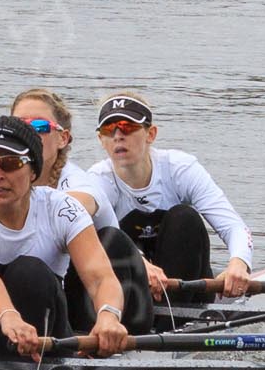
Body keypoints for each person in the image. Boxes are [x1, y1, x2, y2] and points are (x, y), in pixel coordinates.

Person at [0, 118, 134, 370]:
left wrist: (108, 316)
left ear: (33, 170)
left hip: (46, 335)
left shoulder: (62, 209)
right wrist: (9, 317)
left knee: (28, 272)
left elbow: (100, 278)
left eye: (9, 164)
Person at [7, 88, 154, 331]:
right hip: (47, 299)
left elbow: (77, 204)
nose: (27, 133)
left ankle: (105, 336)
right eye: (18, 125)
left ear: (63, 138)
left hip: (105, 304)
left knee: (109, 239)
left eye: (40, 126)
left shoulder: (80, 181)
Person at [87, 93, 255, 302]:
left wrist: (238, 262)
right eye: (108, 130)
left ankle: (178, 316)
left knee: (185, 217)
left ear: (151, 134)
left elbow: (234, 226)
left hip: (184, 287)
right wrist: (139, 263)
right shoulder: (96, 181)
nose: (118, 136)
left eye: (127, 127)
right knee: (108, 235)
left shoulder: (180, 169)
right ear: (101, 140)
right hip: (131, 292)